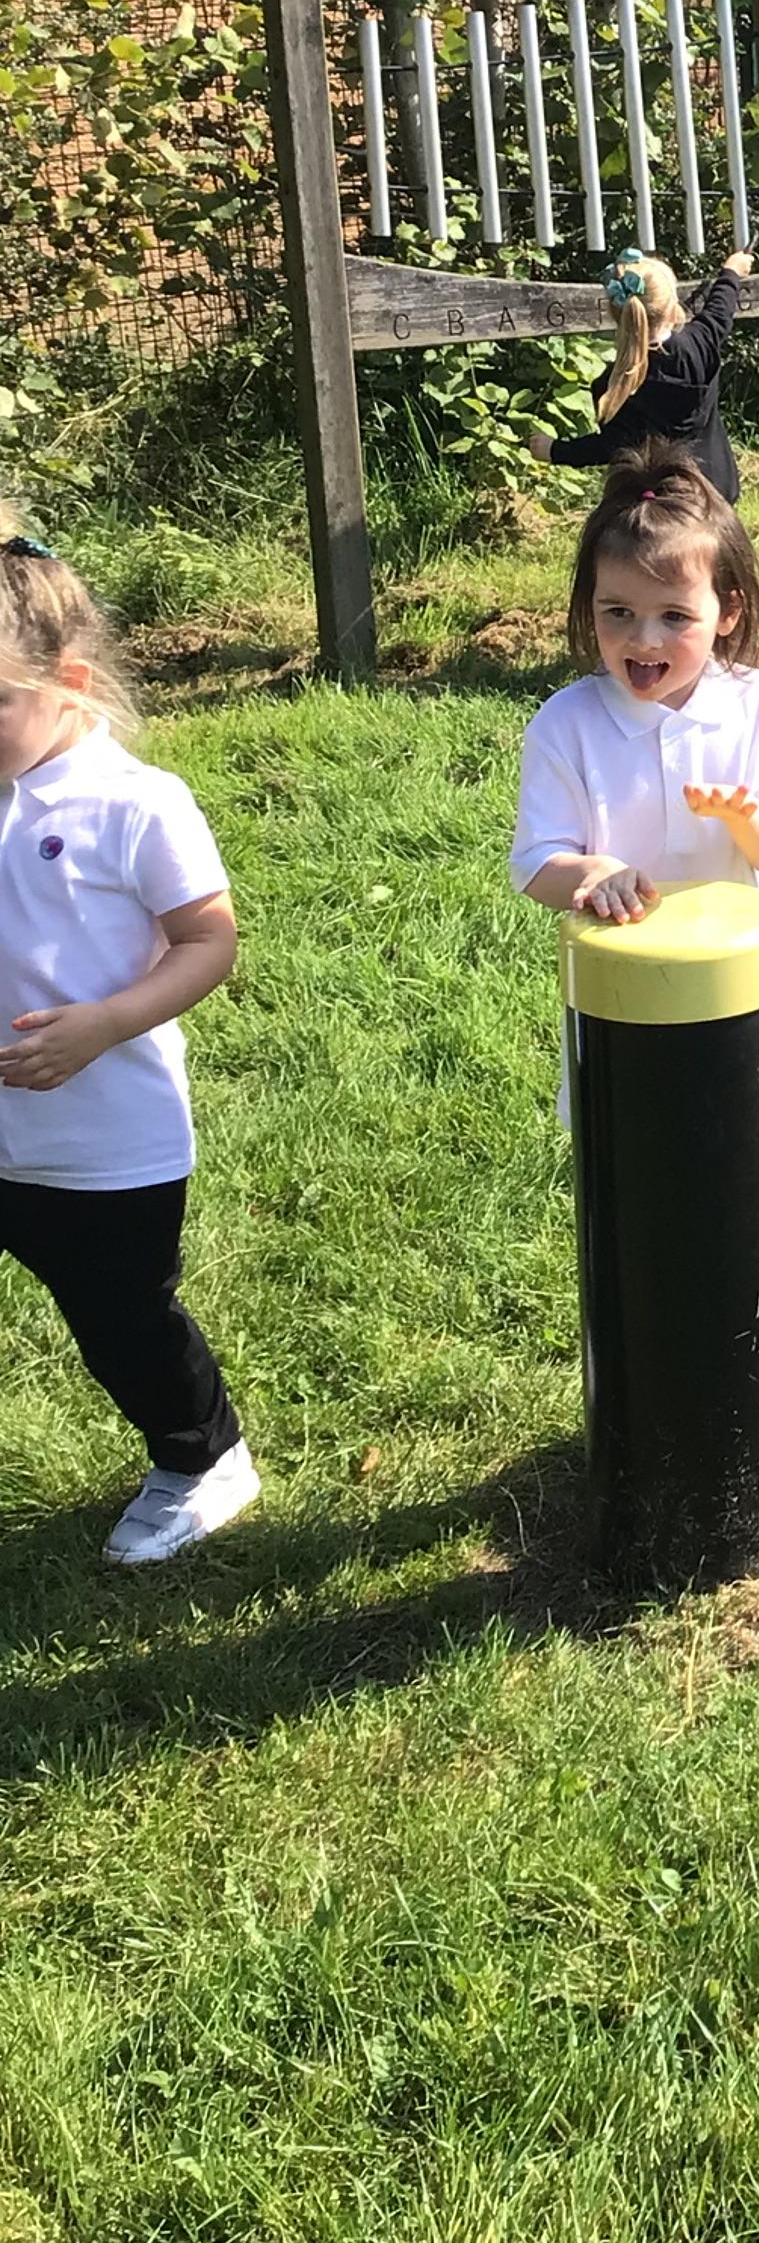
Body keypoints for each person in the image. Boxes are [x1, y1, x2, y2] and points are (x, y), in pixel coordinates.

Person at [509, 450, 759, 1459]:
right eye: (617, 613)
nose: (643, 640)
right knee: (638, 1218)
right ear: (589, 609)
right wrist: (590, 872)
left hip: (738, 1017)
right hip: (619, 1018)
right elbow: (535, 860)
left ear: (728, 611)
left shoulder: (758, 707)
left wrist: (747, 821)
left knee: (746, 1211)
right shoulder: (568, 724)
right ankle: (647, 1393)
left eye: (672, 616)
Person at [0, 520, 259, 1564]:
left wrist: (103, 1024)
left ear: (67, 682)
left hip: (107, 1140)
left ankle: (203, 1457)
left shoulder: (137, 805)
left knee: (118, 1318)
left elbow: (209, 941)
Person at [527, 245, 758, 504]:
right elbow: (719, 310)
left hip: (656, 500)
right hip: (715, 491)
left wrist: (556, 450)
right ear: (673, 310)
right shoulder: (700, 343)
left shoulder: (615, 384)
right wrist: (731, 272)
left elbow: (610, 446)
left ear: (618, 315)